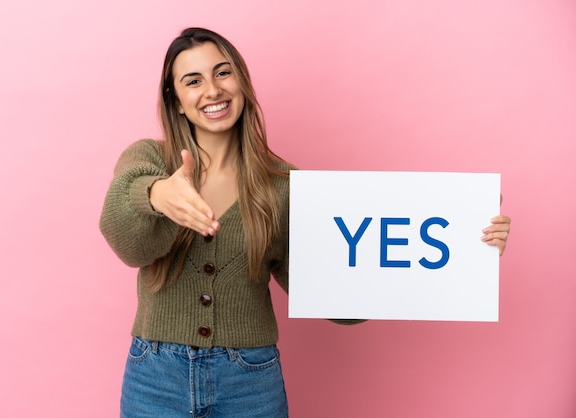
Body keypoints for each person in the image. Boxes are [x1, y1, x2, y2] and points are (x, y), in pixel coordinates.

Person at [99, 27, 511, 418]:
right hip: (156, 374)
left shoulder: (285, 186)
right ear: (175, 100)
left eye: (223, 72)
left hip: (249, 380)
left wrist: (464, 245)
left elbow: (333, 294)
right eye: (193, 80)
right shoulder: (150, 160)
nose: (212, 90)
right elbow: (125, 239)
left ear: (241, 81)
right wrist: (156, 196)